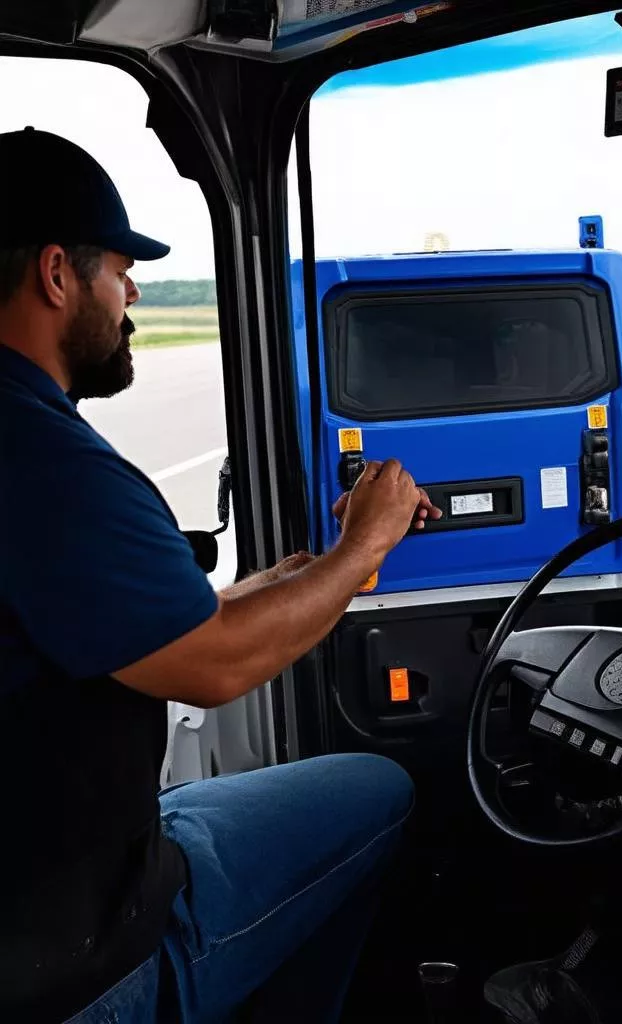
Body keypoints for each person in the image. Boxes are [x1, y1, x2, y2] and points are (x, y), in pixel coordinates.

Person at [0, 127, 441, 1023]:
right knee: (383, 792)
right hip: (72, 960)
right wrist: (366, 547)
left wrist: (283, 582)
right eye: (120, 269)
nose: (132, 293)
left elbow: (128, 617)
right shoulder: (43, 460)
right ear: (56, 274)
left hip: (43, 878)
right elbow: (212, 663)